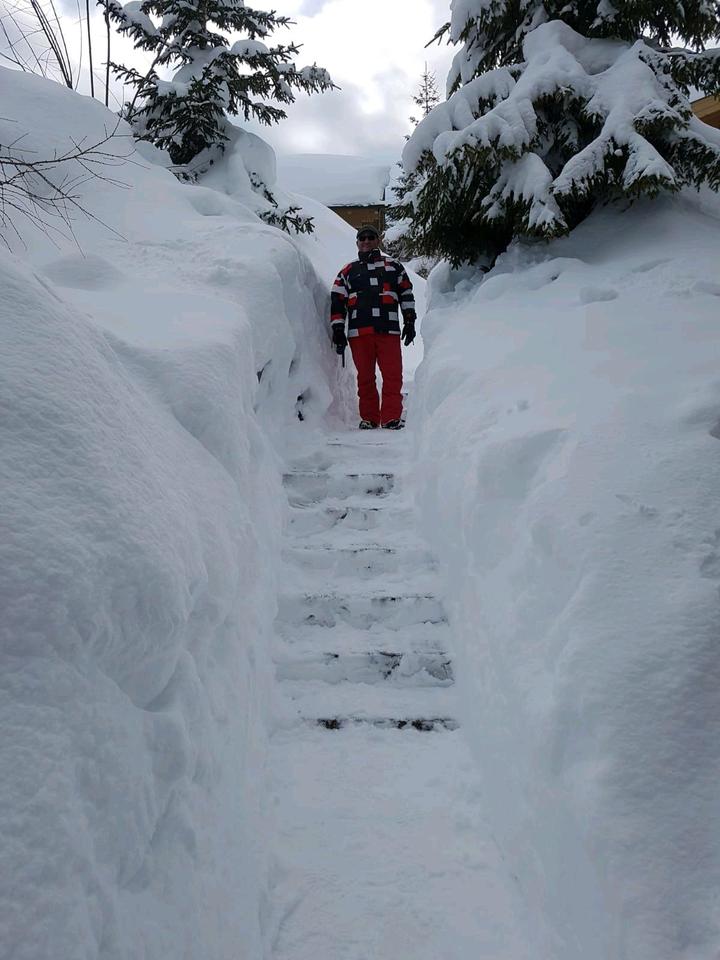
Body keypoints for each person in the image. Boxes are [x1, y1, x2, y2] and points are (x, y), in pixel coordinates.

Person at [330, 224, 416, 430]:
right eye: (362, 238)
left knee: (392, 375)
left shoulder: (393, 267)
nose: (366, 241)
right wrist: (338, 328)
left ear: (378, 240)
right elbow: (337, 300)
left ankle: (391, 417)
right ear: (357, 243)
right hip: (359, 333)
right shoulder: (348, 271)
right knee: (365, 378)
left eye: (371, 237)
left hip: (388, 330)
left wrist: (410, 320)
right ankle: (369, 417)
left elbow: (406, 293)